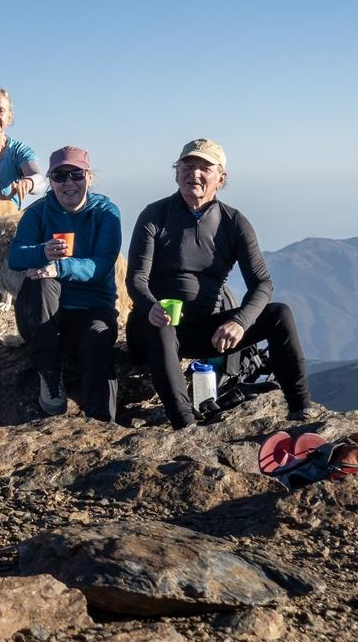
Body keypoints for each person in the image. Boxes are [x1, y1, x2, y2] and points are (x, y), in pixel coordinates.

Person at [125, 138, 314, 429]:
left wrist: (240, 321)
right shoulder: (155, 215)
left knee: (279, 314)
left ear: (221, 178)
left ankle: (301, 410)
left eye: (205, 168)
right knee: (163, 328)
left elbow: (262, 283)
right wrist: (150, 306)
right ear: (176, 173)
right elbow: (136, 277)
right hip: (152, 326)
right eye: (187, 166)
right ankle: (186, 425)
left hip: (207, 332)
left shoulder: (233, 222)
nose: (194, 174)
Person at [7, 147, 122, 420]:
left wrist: (59, 267)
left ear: (89, 178)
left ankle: (103, 425)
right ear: (50, 179)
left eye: (76, 174)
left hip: (91, 310)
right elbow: (15, 257)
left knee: (98, 341)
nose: (69, 183)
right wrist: (42, 252)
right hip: (42, 314)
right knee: (41, 281)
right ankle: (49, 374)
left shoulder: (106, 213)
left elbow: (101, 265)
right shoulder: (38, 212)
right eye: (60, 176)